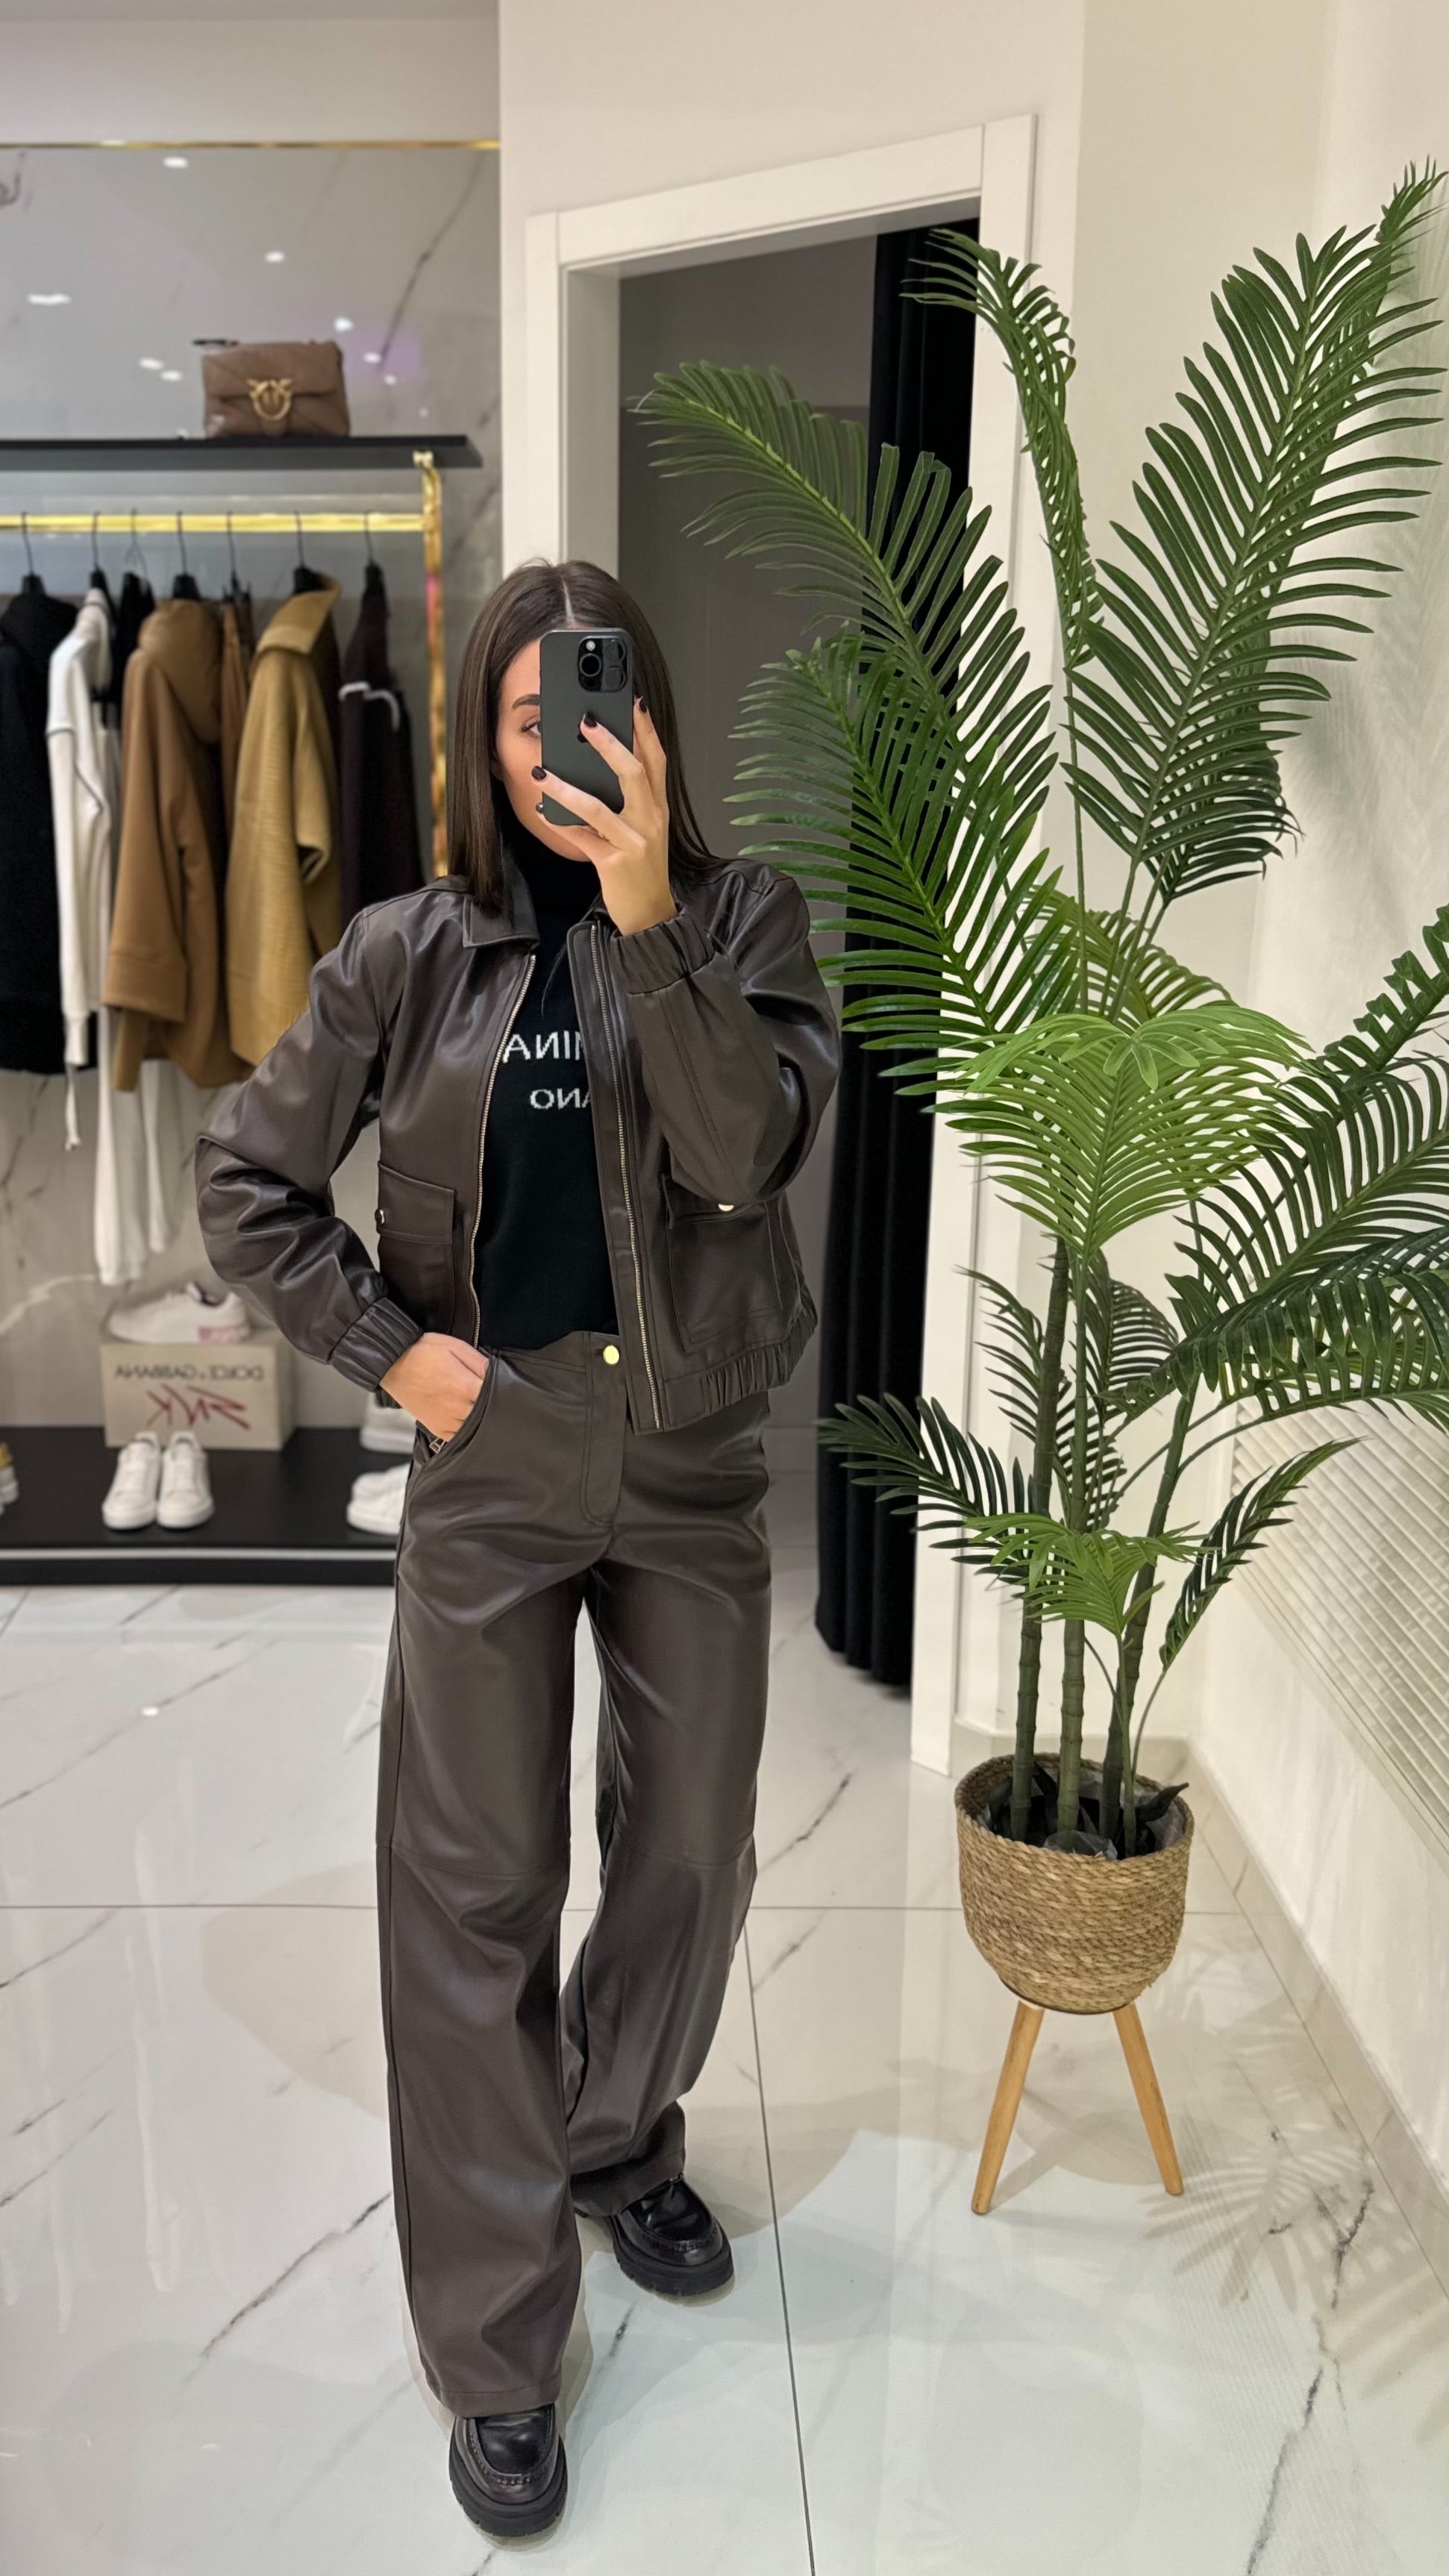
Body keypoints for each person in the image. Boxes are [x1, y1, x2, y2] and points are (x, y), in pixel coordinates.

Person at [193, 560, 840, 2542]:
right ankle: (494, 2349)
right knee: (474, 1893)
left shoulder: (743, 920)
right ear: (484, 737)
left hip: (693, 1456)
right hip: (493, 1457)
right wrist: (397, 1355)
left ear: (648, 719)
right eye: (522, 711)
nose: (558, 742)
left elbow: (744, 1152)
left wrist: (647, 926)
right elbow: (245, 1176)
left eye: (593, 701)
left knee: (695, 1845)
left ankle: (614, 2133)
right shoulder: (407, 952)